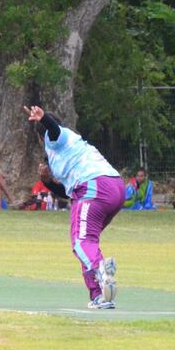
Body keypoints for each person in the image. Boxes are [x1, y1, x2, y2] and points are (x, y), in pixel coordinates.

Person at [24, 105, 125, 309]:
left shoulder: (58, 137)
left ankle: (101, 270)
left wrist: (43, 119)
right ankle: (99, 296)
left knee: (81, 242)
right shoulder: (66, 151)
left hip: (96, 187)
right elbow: (68, 192)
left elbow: (53, 130)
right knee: (87, 244)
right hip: (111, 188)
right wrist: (48, 182)